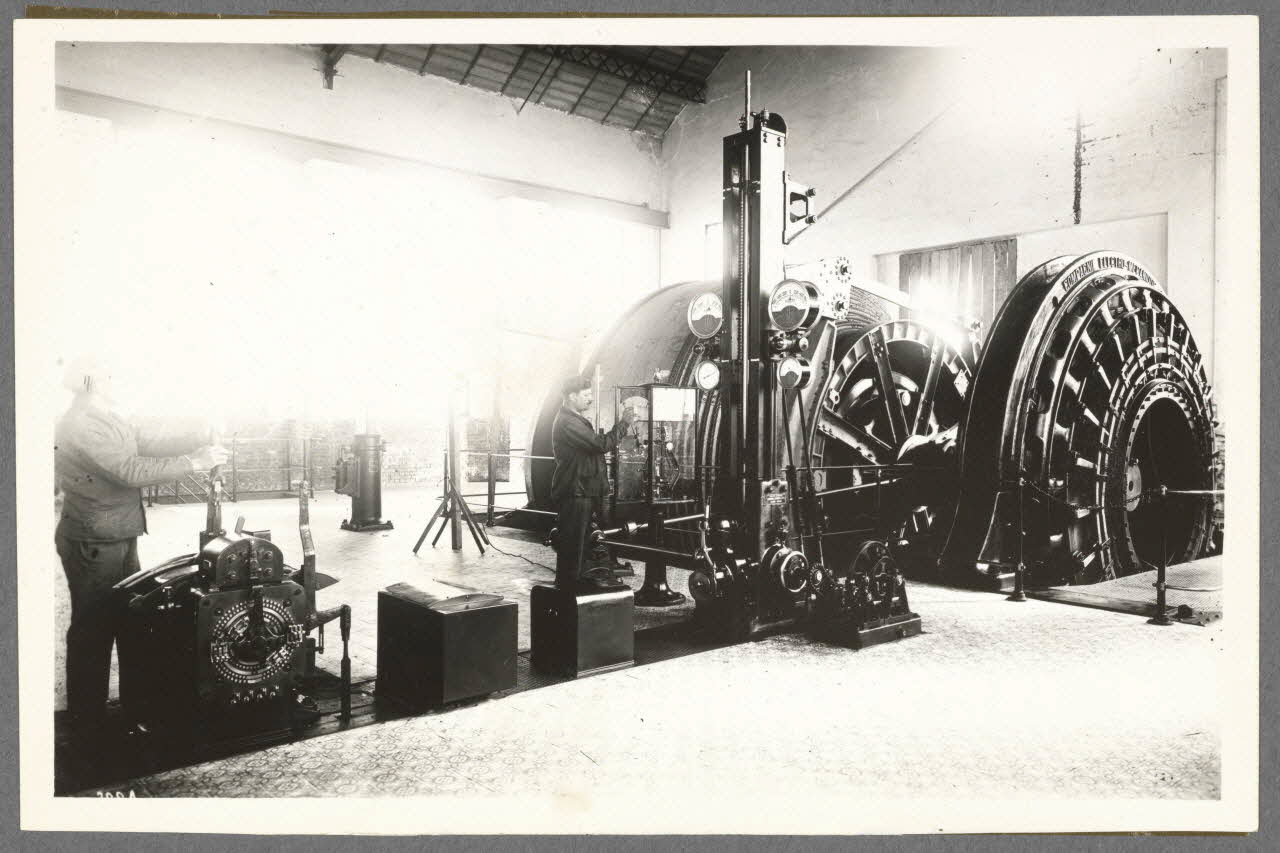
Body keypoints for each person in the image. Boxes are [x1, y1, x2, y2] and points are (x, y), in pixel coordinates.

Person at [54, 355, 228, 731]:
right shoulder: (81, 425)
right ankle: (88, 722)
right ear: (94, 382)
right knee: (94, 630)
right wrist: (195, 462)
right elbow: (129, 470)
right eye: (114, 374)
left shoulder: (109, 416)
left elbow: (146, 440)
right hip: (95, 541)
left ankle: (130, 712)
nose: (123, 381)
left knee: (127, 617)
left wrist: (200, 432)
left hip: (117, 534)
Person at [550, 375, 633, 590]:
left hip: (583, 490)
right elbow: (599, 444)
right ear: (571, 396)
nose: (590, 399)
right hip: (575, 492)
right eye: (586, 395)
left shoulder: (574, 419)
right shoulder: (568, 422)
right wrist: (623, 424)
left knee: (580, 547)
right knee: (573, 548)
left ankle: (574, 590)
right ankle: (568, 592)